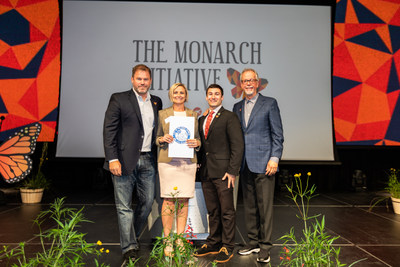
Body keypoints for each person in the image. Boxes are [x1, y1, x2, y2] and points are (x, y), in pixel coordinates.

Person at [103, 64, 162, 263]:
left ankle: (132, 237)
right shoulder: (119, 99)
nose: (142, 83)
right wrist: (112, 159)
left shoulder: (156, 101)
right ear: (132, 79)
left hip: (148, 159)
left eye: (146, 79)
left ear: (150, 81)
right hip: (123, 161)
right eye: (139, 79)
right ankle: (128, 246)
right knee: (124, 207)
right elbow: (109, 131)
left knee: (146, 203)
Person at [233, 68, 284, 263]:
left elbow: (278, 135)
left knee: (265, 208)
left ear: (257, 82)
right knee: (250, 207)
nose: (248, 84)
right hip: (245, 164)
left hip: (265, 163)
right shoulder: (237, 106)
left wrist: (275, 158)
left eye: (251, 80)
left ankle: (265, 246)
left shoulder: (269, 103)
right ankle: (253, 242)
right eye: (244, 81)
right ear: (241, 84)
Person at [195, 84, 244, 263]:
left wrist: (232, 171)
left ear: (222, 97)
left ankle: (227, 245)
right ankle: (214, 242)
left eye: (217, 94)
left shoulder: (229, 117)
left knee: (227, 211)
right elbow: (203, 147)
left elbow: (238, 146)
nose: (213, 97)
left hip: (224, 173)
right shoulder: (202, 119)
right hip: (207, 172)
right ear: (206, 97)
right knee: (213, 211)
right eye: (210, 94)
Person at [156, 83, 201, 257]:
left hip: (187, 163)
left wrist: (197, 143)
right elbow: (156, 139)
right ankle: (167, 239)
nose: (179, 95)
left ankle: (180, 239)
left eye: (182, 92)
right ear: (171, 95)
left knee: (183, 201)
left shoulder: (193, 115)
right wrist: (162, 138)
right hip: (168, 163)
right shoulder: (162, 114)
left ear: (186, 95)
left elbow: (198, 139)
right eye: (175, 92)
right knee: (168, 200)